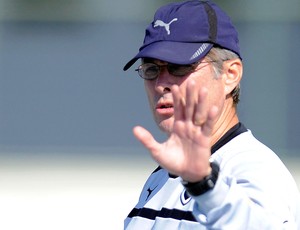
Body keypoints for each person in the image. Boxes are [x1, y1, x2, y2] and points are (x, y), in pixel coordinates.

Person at [123, 0, 300, 229]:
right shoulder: (162, 177)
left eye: (179, 66)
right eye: (152, 69)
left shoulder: (253, 168)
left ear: (230, 74)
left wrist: (204, 184)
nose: (161, 84)